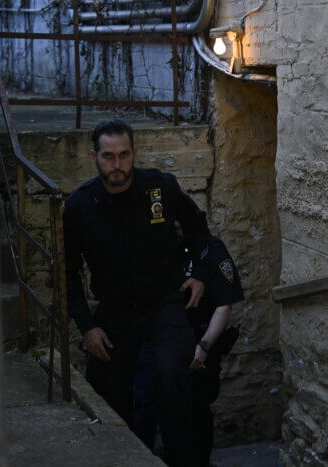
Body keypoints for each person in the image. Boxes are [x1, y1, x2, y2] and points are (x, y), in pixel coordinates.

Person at [63, 119, 210, 467]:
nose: (117, 165)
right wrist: (86, 326)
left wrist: (201, 274)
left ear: (134, 154)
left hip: (163, 303)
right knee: (108, 391)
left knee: (171, 373)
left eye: (124, 155)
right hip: (114, 311)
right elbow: (66, 273)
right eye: (108, 156)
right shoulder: (81, 205)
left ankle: (183, 460)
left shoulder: (160, 188)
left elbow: (198, 229)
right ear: (94, 156)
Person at [132, 221, 244, 466]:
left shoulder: (210, 249)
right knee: (144, 403)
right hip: (159, 338)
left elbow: (224, 304)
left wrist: (203, 347)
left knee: (195, 408)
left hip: (198, 339)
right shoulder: (154, 248)